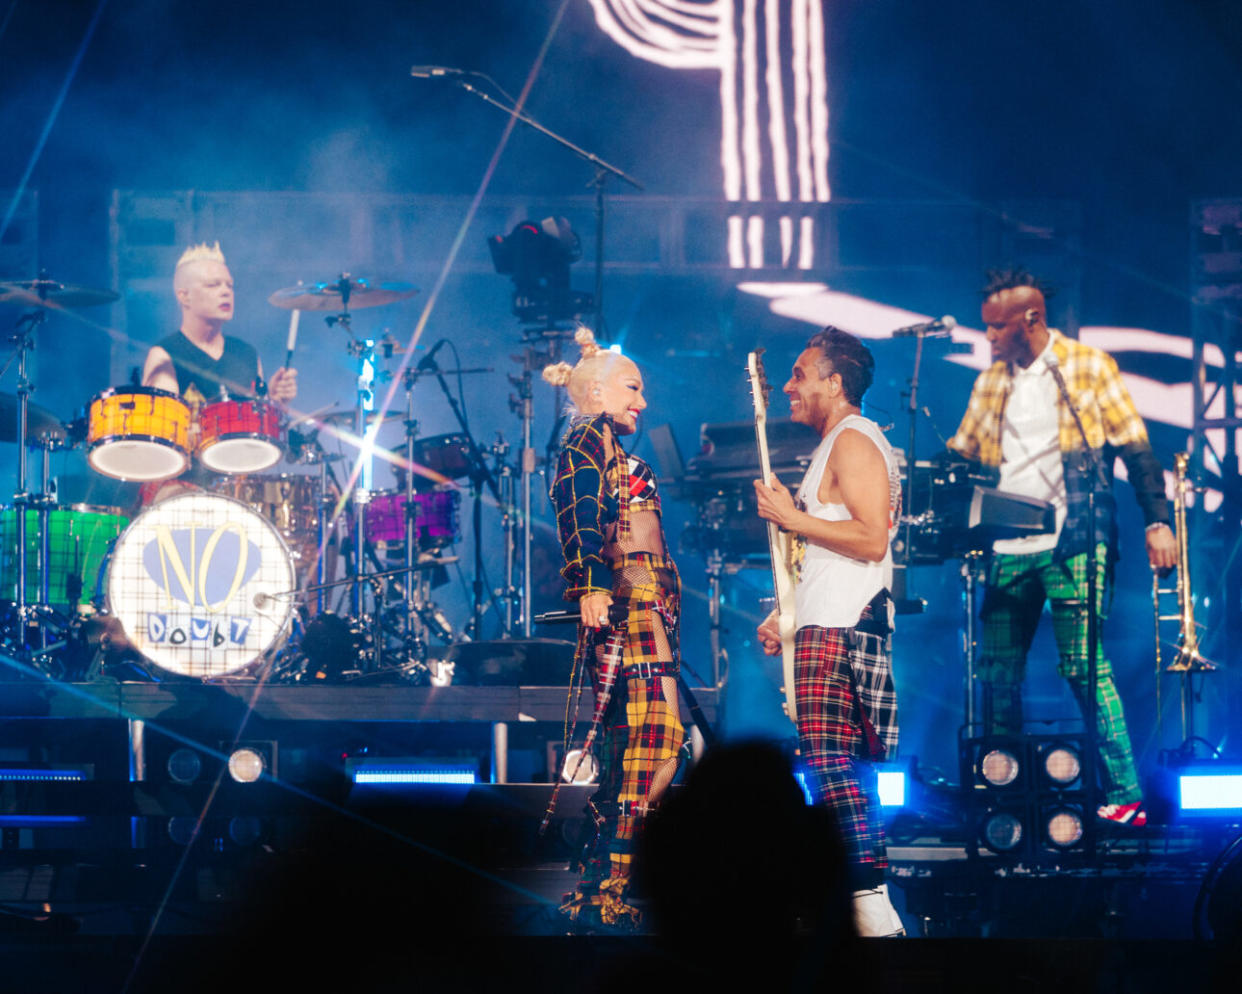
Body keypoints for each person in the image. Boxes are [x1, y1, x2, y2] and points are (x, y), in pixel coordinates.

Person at [948, 268, 1176, 827]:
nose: (990, 338)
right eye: (986, 329)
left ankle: (1125, 796)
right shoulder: (990, 382)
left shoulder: (1087, 367)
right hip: (1010, 545)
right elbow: (963, 454)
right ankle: (1005, 794)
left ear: (1032, 320)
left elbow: (1136, 449)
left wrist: (1157, 522)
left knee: (1082, 666)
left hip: (1076, 540)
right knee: (997, 670)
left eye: (998, 328)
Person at [754, 327, 905, 938]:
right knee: (827, 766)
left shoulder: (854, 440)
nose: (789, 386)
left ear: (834, 382)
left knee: (836, 767)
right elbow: (826, 553)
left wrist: (791, 517)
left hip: (844, 629)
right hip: (825, 623)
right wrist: (784, 617)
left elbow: (872, 540)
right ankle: (854, 906)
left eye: (800, 374)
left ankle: (874, 911)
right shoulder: (833, 445)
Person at [543, 327, 683, 929]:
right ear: (596, 393)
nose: (642, 402)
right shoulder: (586, 441)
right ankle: (608, 880)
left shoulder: (608, 446)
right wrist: (593, 585)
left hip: (645, 610)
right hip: (630, 610)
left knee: (640, 749)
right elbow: (580, 513)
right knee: (653, 746)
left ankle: (605, 874)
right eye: (632, 388)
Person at [143, 241, 296, 407]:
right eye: (213, 285)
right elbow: (165, 428)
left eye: (230, 285)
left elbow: (258, 425)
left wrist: (274, 401)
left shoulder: (246, 354)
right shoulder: (164, 355)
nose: (226, 292)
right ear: (184, 296)